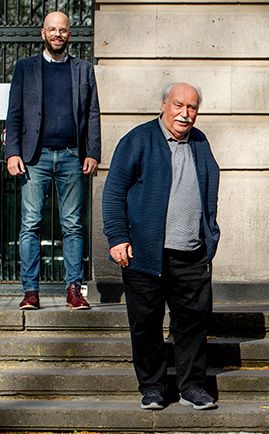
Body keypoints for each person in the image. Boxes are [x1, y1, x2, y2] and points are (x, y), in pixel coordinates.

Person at [102, 83, 220, 410]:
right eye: (179, 105)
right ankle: (153, 387)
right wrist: (117, 237)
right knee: (146, 325)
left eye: (192, 107)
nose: (185, 113)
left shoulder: (200, 142)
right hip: (144, 254)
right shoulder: (137, 140)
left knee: (194, 324)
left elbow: (209, 188)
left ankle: (193, 386)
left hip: (191, 254)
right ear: (164, 104)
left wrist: (210, 232)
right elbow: (113, 192)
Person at [5, 11, 100, 311]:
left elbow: (94, 114)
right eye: (52, 30)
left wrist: (93, 152)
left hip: (72, 156)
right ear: (43, 33)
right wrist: (12, 153)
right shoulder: (25, 68)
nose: (58, 35)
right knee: (30, 225)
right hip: (35, 157)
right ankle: (30, 291)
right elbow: (15, 113)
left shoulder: (83, 70)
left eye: (63, 30)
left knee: (72, 226)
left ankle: (74, 290)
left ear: (69, 35)